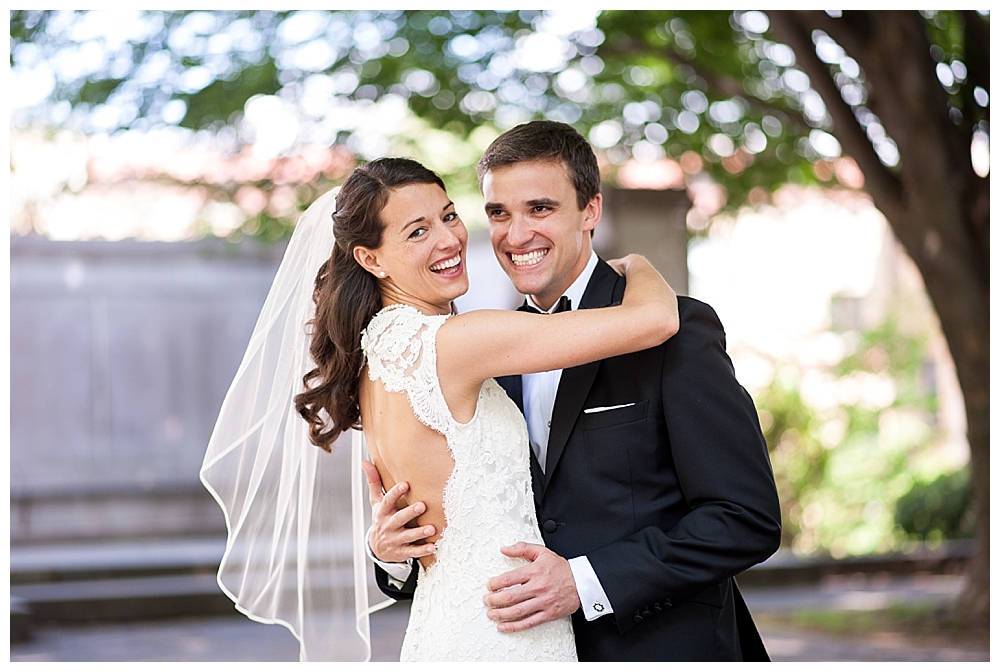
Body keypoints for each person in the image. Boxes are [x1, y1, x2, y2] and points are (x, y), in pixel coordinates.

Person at [202, 156, 679, 662]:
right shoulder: (454, 344)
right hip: (507, 626)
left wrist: (387, 554)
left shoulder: (374, 354)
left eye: (449, 216)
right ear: (371, 259)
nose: (449, 240)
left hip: (449, 623)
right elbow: (655, 318)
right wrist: (634, 266)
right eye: (417, 232)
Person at [365, 121, 783, 661]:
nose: (515, 236)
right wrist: (392, 553)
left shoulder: (676, 331)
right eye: (499, 213)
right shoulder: (481, 354)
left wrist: (587, 582)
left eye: (539, 209)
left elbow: (745, 518)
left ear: (590, 210)